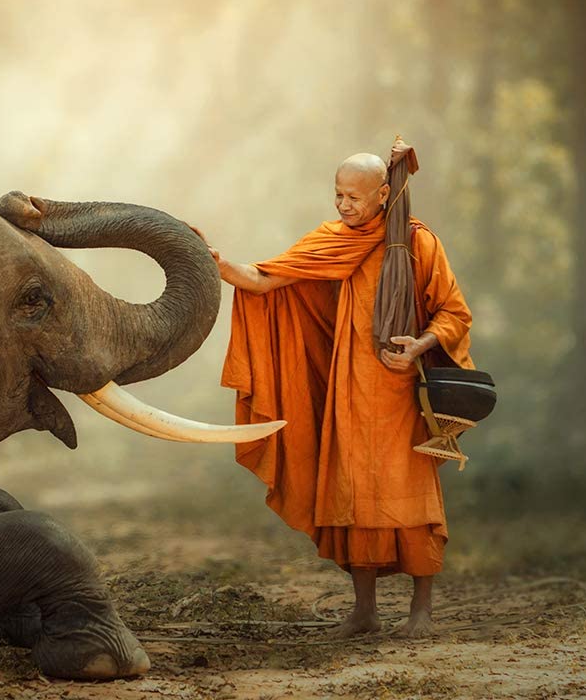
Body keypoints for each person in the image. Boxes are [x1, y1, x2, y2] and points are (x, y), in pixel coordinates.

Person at [193, 138, 473, 638]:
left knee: (410, 495)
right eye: (338, 194)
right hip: (348, 389)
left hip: (401, 394)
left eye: (354, 197)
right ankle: (364, 611)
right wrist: (214, 261)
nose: (343, 205)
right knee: (353, 495)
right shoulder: (332, 238)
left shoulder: (416, 243)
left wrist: (418, 344)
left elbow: (454, 313)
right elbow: (263, 279)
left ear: (384, 194)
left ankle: (421, 614)